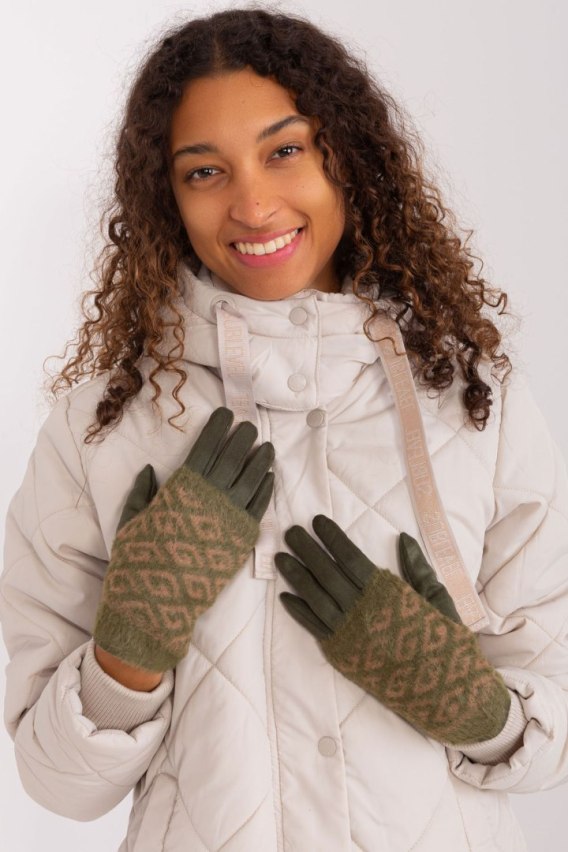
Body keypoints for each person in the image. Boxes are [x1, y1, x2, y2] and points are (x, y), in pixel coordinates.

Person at [1, 7, 567, 851]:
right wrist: (129, 650)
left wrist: (470, 703)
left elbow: (553, 734)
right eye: (204, 171)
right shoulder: (101, 425)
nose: (254, 204)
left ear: (347, 157)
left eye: (285, 151)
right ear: (167, 197)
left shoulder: (473, 401)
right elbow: (56, 784)